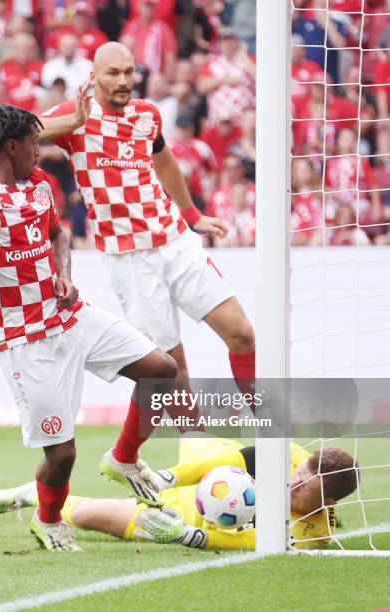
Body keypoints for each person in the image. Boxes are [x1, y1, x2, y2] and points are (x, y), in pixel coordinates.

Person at [0, 103, 179, 552]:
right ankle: (47, 520)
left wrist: (64, 273)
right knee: (62, 454)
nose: (41, 150)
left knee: (161, 370)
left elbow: (57, 235)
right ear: (12, 146)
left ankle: (124, 458)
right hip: (23, 339)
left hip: (71, 316)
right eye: (35, 142)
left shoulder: (42, 186)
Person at [40, 42, 256, 426]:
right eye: (113, 73)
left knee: (241, 333)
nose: (123, 80)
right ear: (94, 77)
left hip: (174, 240)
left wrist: (191, 214)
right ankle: (198, 448)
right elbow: (18, 130)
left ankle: (271, 431)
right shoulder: (77, 118)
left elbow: (164, 159)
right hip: (129, 257)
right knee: (173, 369)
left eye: (129, 71)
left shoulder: (147, 114)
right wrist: (70, 123)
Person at [0, 436, 359, 551]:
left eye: (305, 484)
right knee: (191, 433)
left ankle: (26, 493)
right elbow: (229, 458)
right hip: (208, 474)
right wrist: (163, 479)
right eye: (300, 472)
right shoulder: (288, 456)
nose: (294, 481)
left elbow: (252, 543)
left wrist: (188, 536)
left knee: (88, 517)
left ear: (327, 504)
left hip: (180, 516)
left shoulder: (314, 535)